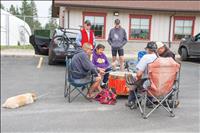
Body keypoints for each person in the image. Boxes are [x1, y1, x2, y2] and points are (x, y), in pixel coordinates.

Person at [126, 41, 158, 108]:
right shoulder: (158, 57)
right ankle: (149, 102)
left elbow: (139, 74)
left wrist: (137, 79)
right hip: (157, 83)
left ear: (148, 49)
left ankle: (132, 101)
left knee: (132, 80)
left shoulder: (146, 57)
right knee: (148, 81)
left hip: (147, 82)